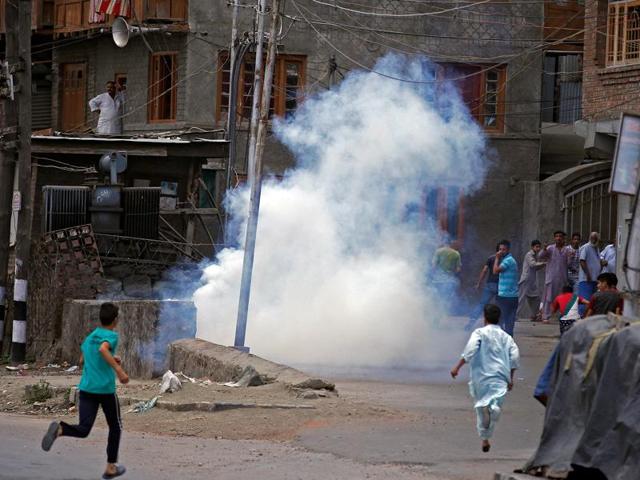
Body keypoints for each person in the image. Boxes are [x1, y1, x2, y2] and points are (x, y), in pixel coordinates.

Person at [41, 302, 129, 479]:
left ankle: (60, 429)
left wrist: (112, 358)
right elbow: (103, 349)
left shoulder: (91, 336)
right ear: (115, 320)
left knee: (84, 429)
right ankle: (111, 467)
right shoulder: (111, 336)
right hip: (104, 390)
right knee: (116, 427)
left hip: (86, 388)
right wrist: (119, 370)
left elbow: (82, 359)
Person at [450, 303, 520, 453]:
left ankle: (485, 439)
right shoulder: (507, 337)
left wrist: (458, 366)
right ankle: (493, 409)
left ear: (484, 317)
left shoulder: (479, 333)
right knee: (494, 405)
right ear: (499, 318)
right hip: (501, 377)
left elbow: (470, 349)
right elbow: (514, 357)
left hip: (481, 377)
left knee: (481, 407)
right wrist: (511, 378)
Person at [539, 231, 574, 322]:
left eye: (560, 237)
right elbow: (540, 256)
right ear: (554, 238)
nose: (558, 238)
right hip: (551, 278)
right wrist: (544, 249)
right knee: (548, 298)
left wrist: (571, 257)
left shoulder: (567, 250)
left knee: (562, 298)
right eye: (556, 236)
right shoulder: (550, 248)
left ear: (563, 239)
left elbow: (569, 264)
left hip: (562, 278)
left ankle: (562, 315)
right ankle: (545, 316)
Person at [465, 243, 500, 331]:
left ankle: (471, 322)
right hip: (501, 286)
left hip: (490, 284)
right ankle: (499, 326)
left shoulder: (491, 258)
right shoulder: (505, 259)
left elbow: (484, 271)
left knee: (482, 304)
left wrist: (479, 283)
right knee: (500, 305)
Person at [493, 240, 519, 337]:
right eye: (499, 249)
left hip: (505, 297)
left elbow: (495, 271)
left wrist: (496, 258)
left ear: (508, 250)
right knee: (509, 324)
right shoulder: (509, 260)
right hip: (512, 297)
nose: (501, 252)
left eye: (503, 250)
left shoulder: (508, 261)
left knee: (500, 322)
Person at [517, 240, 546, 322]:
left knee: (535, 297)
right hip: (526, 280)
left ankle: (535, 315)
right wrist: (544, 263)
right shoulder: (529, 254)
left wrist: (543, 265)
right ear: (532, 247)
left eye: (539, 247)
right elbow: (533, 264)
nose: (538, 248)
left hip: (531, 281)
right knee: (521, 298)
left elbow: (535, 268)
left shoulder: (535, 255)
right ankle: (514, 315)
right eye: (536, 247)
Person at [578, 232, 601, 316]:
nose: (594, 239)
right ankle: (581, 318)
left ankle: (588, 318)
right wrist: (588, 274)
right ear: (590, 238)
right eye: (592, 238)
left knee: (592, 302)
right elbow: (582, 261)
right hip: (586, 279)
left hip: (595, 280)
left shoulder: (596, 248)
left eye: (596, 238)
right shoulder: (586, 247)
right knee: (585, 301)